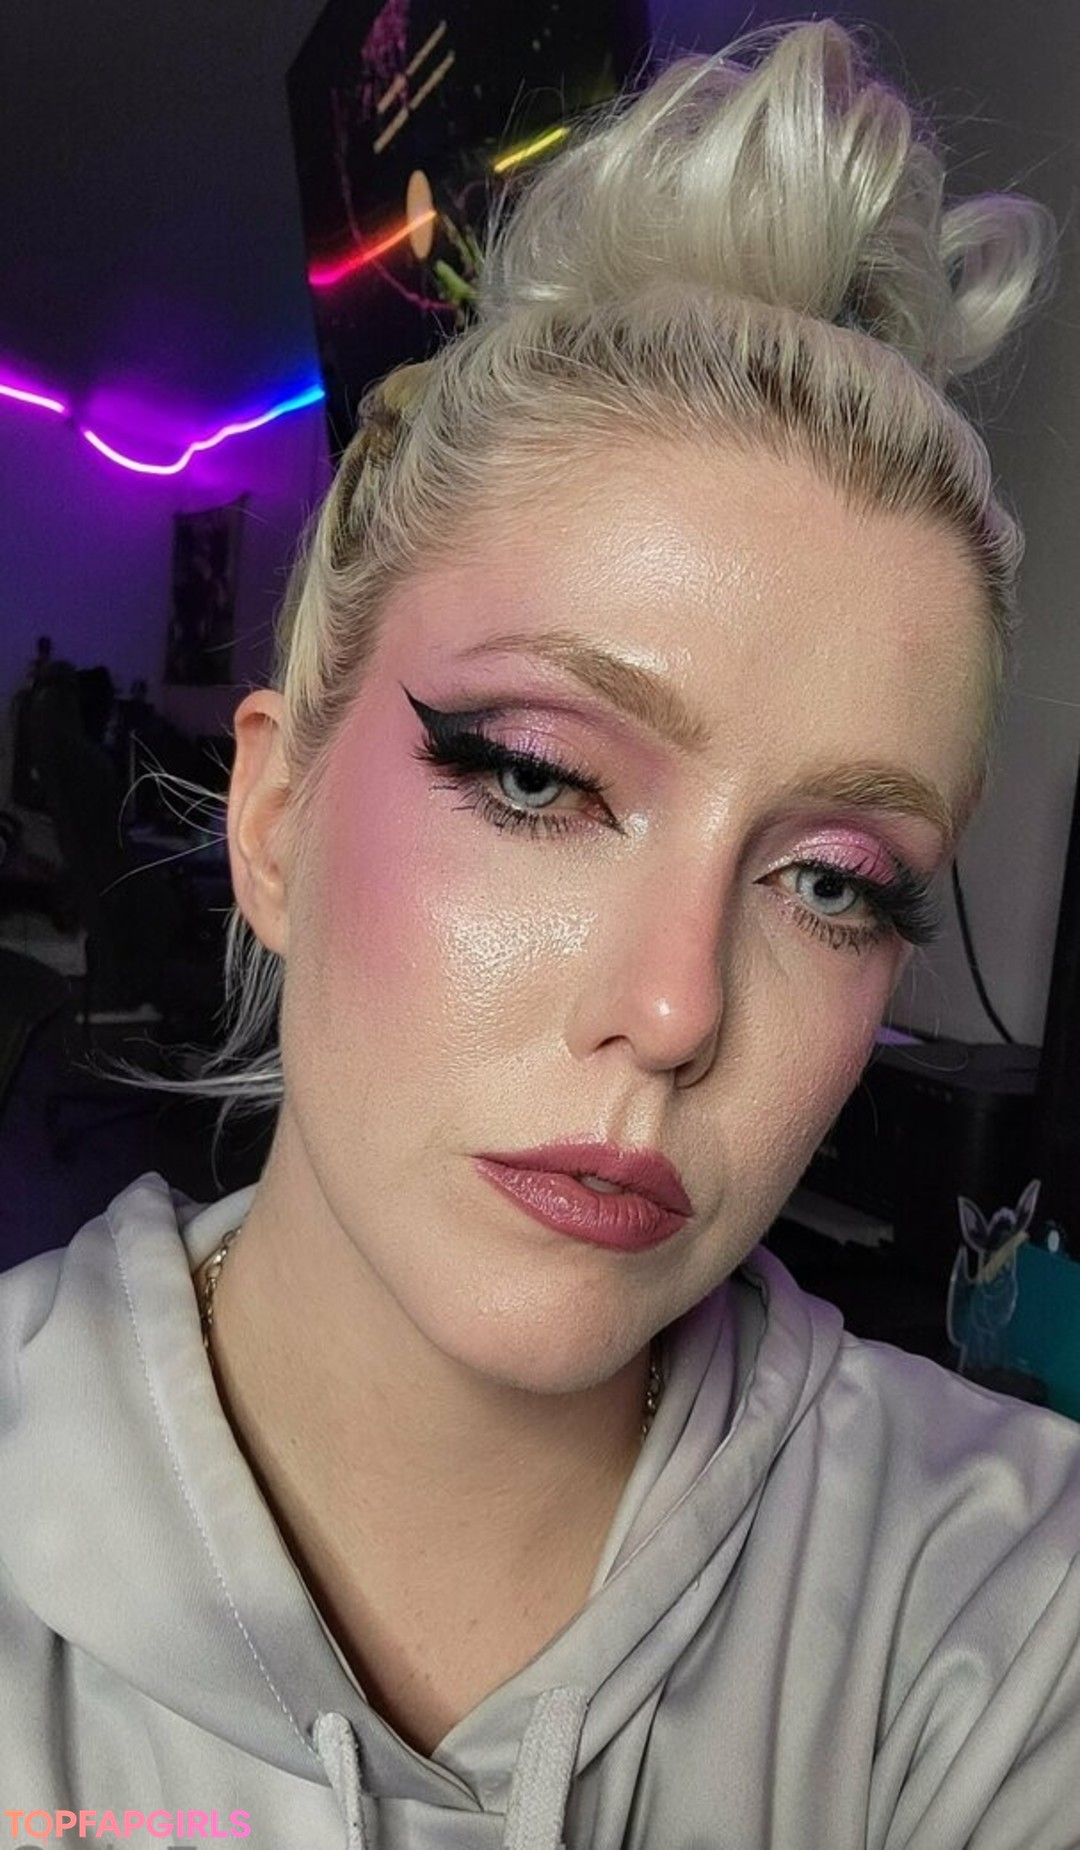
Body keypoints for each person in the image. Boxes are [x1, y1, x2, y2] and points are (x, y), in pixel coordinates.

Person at [1, 20, 1077, 1848]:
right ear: (273, 819)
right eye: (535, 777)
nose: (674, 1007)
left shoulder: (1009, 1607)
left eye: (833, 879)